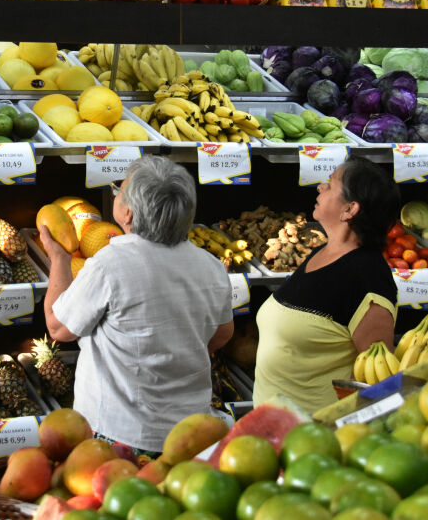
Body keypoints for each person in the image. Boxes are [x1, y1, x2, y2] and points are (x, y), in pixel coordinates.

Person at [39, 155, 234, 457]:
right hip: (190, 436)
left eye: (119, 189)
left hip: (118, 438)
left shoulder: (110, 265)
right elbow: (222, 334)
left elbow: (57, 327)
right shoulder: (212, 266)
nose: (116, 192)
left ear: (127, 213)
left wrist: (60, 260)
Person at [253, 157, 400, 414]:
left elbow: (374, 382)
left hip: (314, 438)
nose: (320, 187)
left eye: (330, 185)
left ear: (350, 210)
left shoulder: (369, 281)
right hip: (270, 431)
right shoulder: (323, 251)